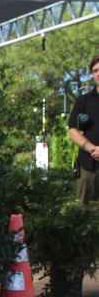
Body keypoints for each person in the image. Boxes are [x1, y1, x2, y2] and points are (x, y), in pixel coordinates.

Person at [68, 55, 99, 203]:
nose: (98, 73)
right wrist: (92, 148)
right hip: (89, 166)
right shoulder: (83, 101)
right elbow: (72, 130)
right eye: (95, 70)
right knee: (85, 217)